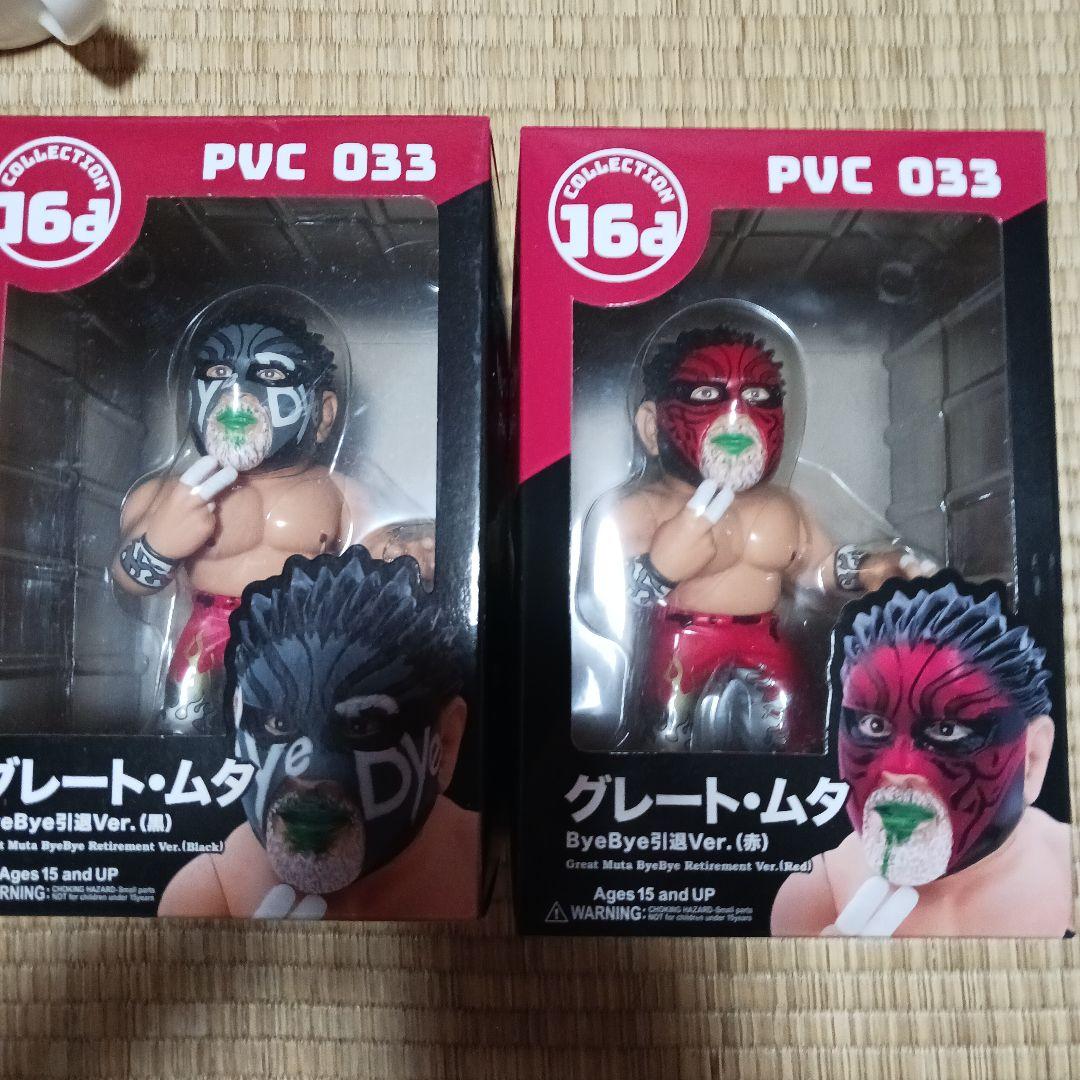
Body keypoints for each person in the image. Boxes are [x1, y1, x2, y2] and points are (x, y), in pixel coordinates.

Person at [589, 321, 927, 752]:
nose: (737, 415)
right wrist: (658, 570)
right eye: (706, 394)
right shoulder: (640, 509)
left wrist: (869, 570)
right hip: (678, 650)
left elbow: (818, 569)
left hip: (769, 646)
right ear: (652, 426)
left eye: (758, 396)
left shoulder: (783, 506)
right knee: (666, 746)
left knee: (791, 742)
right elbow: (601, 603)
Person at [111, 295, 433, 734]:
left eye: (269, 375)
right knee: (186, 738)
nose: (238, 393)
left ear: (323, 412)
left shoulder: (336, 494)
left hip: (300, 642)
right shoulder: (167, 494)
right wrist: (157, 547)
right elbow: (127, 582)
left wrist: (409, 554)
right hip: (205, 647)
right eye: (218, 373)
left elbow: (376, 551)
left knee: (296, 742)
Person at [158, 546, 478, 919]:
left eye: (360, 726)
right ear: (238, 717)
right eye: (277, 725)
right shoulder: (210, 892)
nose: (306, 772)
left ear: (446, 743)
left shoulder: (490, 865)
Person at [771, 578, 1073, 937]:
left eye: (947, 731)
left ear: (1033, 755)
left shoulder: (1067, 866)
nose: (898, 771)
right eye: (873, 726)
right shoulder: (820, 890)